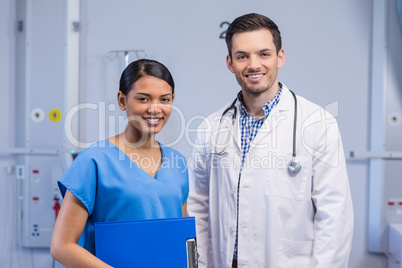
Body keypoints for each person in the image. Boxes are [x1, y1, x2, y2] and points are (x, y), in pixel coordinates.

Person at [187, 13, 353, 268]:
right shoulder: (211, 127)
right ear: (230, 63)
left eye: (264, 54)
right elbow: (199, 205)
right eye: (242, 56)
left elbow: (335, 217)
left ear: (280, 57)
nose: (254, 65)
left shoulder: (318, 123)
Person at [51, 59, 189, 267]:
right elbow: (62, 246)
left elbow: (180, 238)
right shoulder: (95, 160)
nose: (155, 108)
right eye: (143, 99)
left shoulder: (177, 162)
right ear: (122, 100)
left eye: (164, 100)